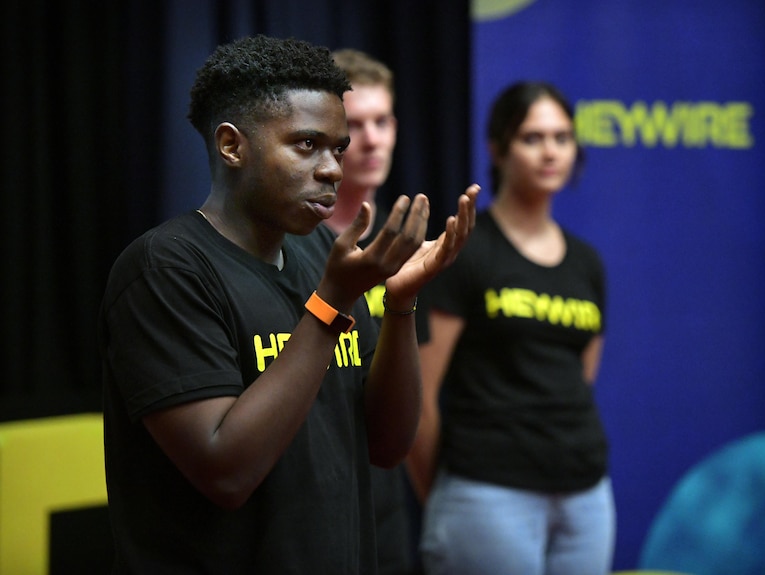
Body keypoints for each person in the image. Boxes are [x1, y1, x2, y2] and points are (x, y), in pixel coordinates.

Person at [98, 34, 479, 574]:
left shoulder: (320, 252)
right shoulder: (165, 269)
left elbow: (387, 444)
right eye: (306, 145)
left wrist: (400, 302)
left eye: (337, 149)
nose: (332, 169)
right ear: (233, 146)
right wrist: (331, 304)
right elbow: (225, 471)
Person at [408, 81, 615, 575]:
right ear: (497, 149)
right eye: (532, 137)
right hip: (487, 492)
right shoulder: (465, 250)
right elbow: (418, 394)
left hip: (586, 491)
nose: (550, 151)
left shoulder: (587, 262)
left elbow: (580, 378)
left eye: (562, 137)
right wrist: (444, 495)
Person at [328, 48, 425, 575]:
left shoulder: (404, 241)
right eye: (355, 125)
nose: (372, 139)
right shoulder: (285, 241)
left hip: (383, 500)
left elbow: (417, 392)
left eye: (382, 121)